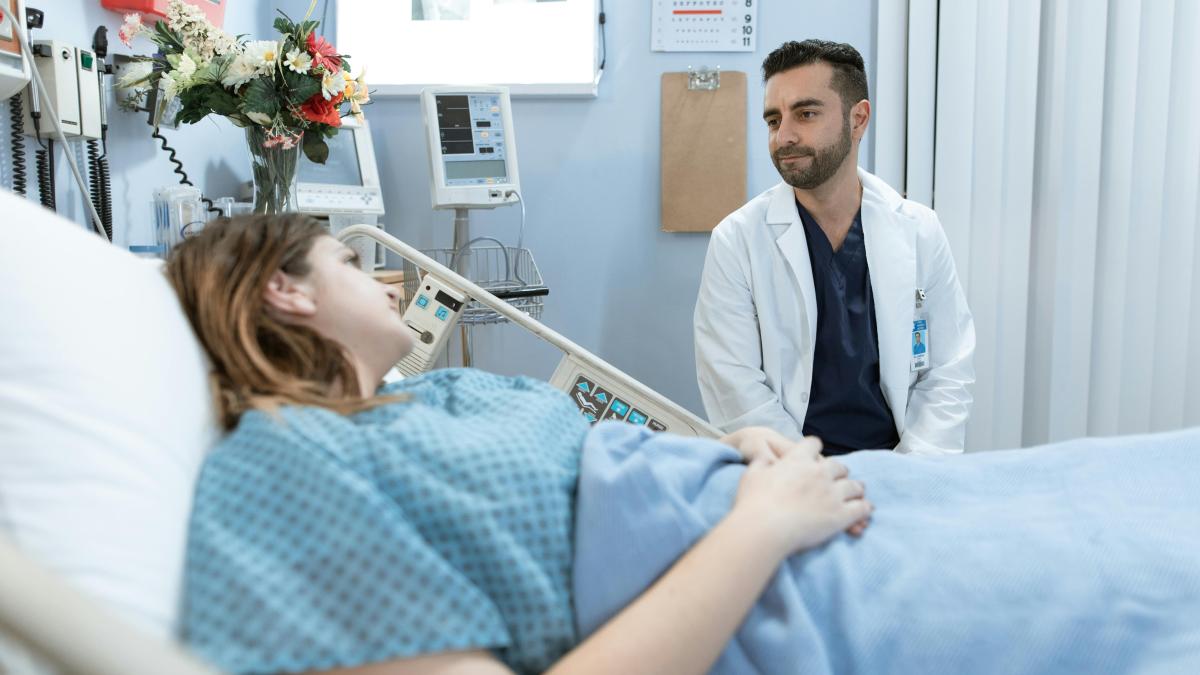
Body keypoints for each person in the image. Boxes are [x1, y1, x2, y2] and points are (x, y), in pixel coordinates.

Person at [171, 215, 1200, 675]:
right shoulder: (282, 468)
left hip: (783, 502)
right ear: (286, 291)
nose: (385, 278)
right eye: (352, 261)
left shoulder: (421, 400)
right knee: (1130, 568)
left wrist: (734, 452)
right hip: (778, 572)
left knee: (1111, 488)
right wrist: (759, 528)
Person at [694, 40, 975, 455]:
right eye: (773, 120)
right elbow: (733, 386)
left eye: (805, 114)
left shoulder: (920, 230)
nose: (784, 136)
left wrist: (911, 469)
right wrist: (810, 473)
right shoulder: (736, 242)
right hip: (789, 466)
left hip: (904, 464)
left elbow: (949, 370)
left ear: (858, 119)